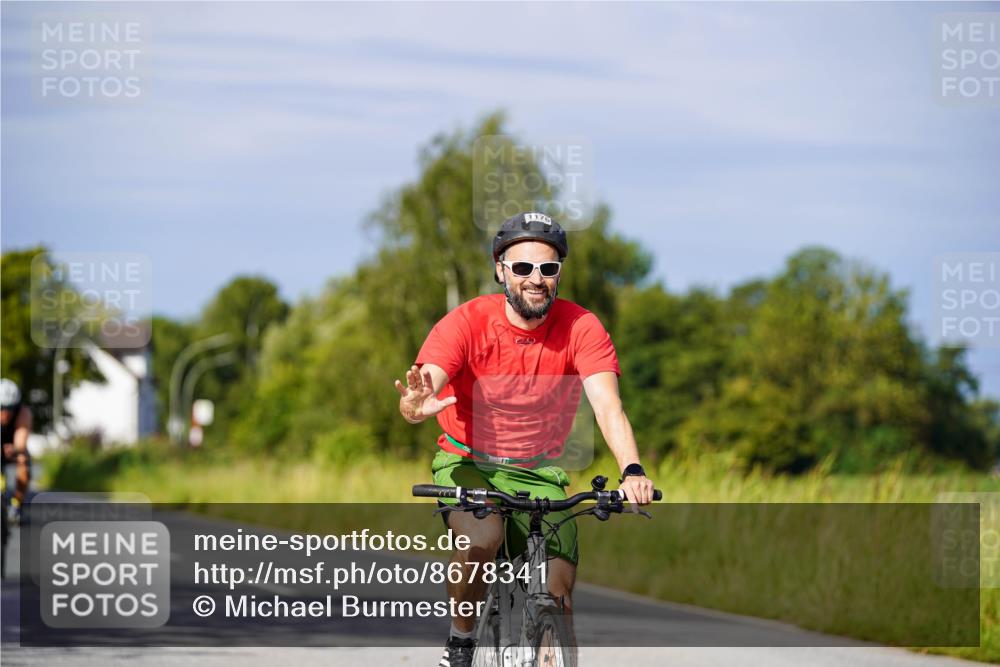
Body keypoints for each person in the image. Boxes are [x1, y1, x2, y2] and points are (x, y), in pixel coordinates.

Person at [394, 212, 655, 667]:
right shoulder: (466, 322)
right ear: (501, 270)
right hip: (469, 462)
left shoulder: (582, 327)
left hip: (539, 472)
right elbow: (427, 382)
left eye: (548, 268)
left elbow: (608, 406)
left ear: (559, 274)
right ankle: (460, 641)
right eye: (522, 267)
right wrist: (415, 405)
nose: (536, 278)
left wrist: (632, 470)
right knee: (481, 539)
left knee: (558, 591)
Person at [1, 378, 32, 578]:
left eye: (9, 408)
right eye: (1, 408)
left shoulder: (23, 413)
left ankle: (15, 506)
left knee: (24, 463)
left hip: (11, 448)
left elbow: (20, 443)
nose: (5, 413)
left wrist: (16, 450)